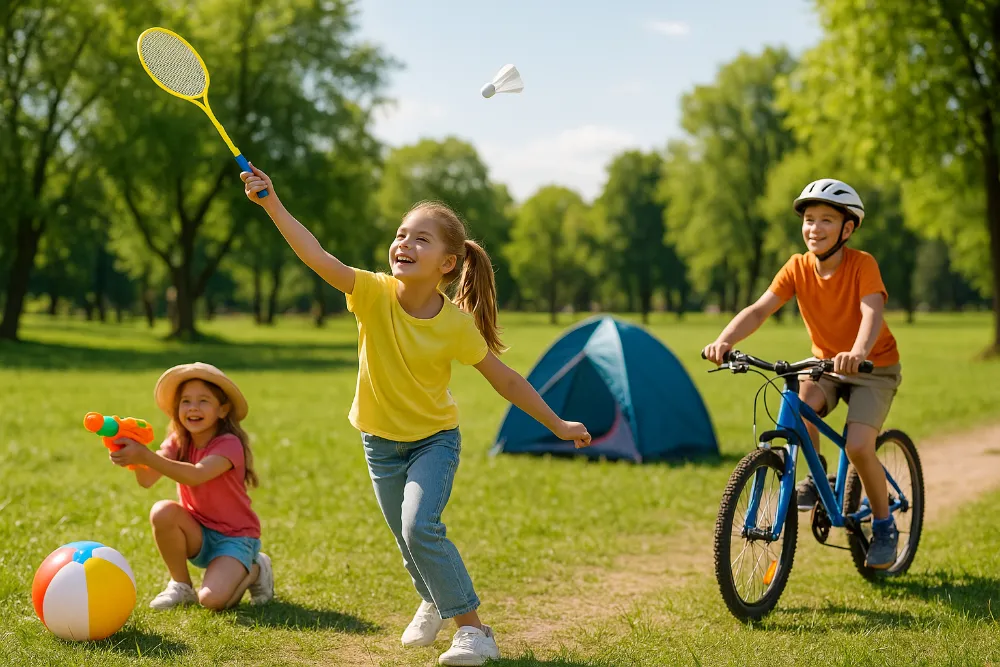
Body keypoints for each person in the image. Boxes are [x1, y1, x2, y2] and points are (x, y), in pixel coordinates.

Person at [241, 163, 591, 666]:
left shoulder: (455, 325)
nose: (404, 243)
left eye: (420, 239)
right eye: (401, 234)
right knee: (406, 540)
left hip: (433, 441)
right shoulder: (371, 292)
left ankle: (474, 631)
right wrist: (271, 201)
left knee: (417, 526)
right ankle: (432, 599)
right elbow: (315, 256)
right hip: (379, 441)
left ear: (448, 263)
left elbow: (506, 380)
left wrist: (557, 424)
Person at [702, 178, 901, 569]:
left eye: (827, 220)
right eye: (809, 219)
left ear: (847, 229)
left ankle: (884, 524)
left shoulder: (863, 265)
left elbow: (871, 312)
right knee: (794, 408)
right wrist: (723, 340)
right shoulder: (796, 267)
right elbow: (760, 309)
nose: (815, 228)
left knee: (859, 446)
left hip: (872, 367)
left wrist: (858, 352)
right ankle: (819, 477)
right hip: (825, 364)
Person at [109, 362, 275, 609]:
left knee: (212, 601)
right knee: (162, 511)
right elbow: (146, 480)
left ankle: (255, 568)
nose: (193, 408)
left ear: (223, 410)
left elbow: (196, 475)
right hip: (197, 531)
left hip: (235, 538)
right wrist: (129, 454)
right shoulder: (178, 440)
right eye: (186, 401)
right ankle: (182, 585)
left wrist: (145, 455)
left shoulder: (228, 444)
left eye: (203, 401)